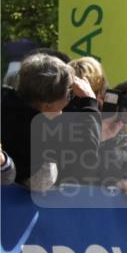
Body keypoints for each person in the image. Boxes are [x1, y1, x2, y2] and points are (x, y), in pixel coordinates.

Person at [0, 53, 100, 191]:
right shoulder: (44, 131)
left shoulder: (5, 99)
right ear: (47, 105)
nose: (70, 98)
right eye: (69, 94)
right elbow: (87, 151)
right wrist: (89, 101)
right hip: (23, 196)